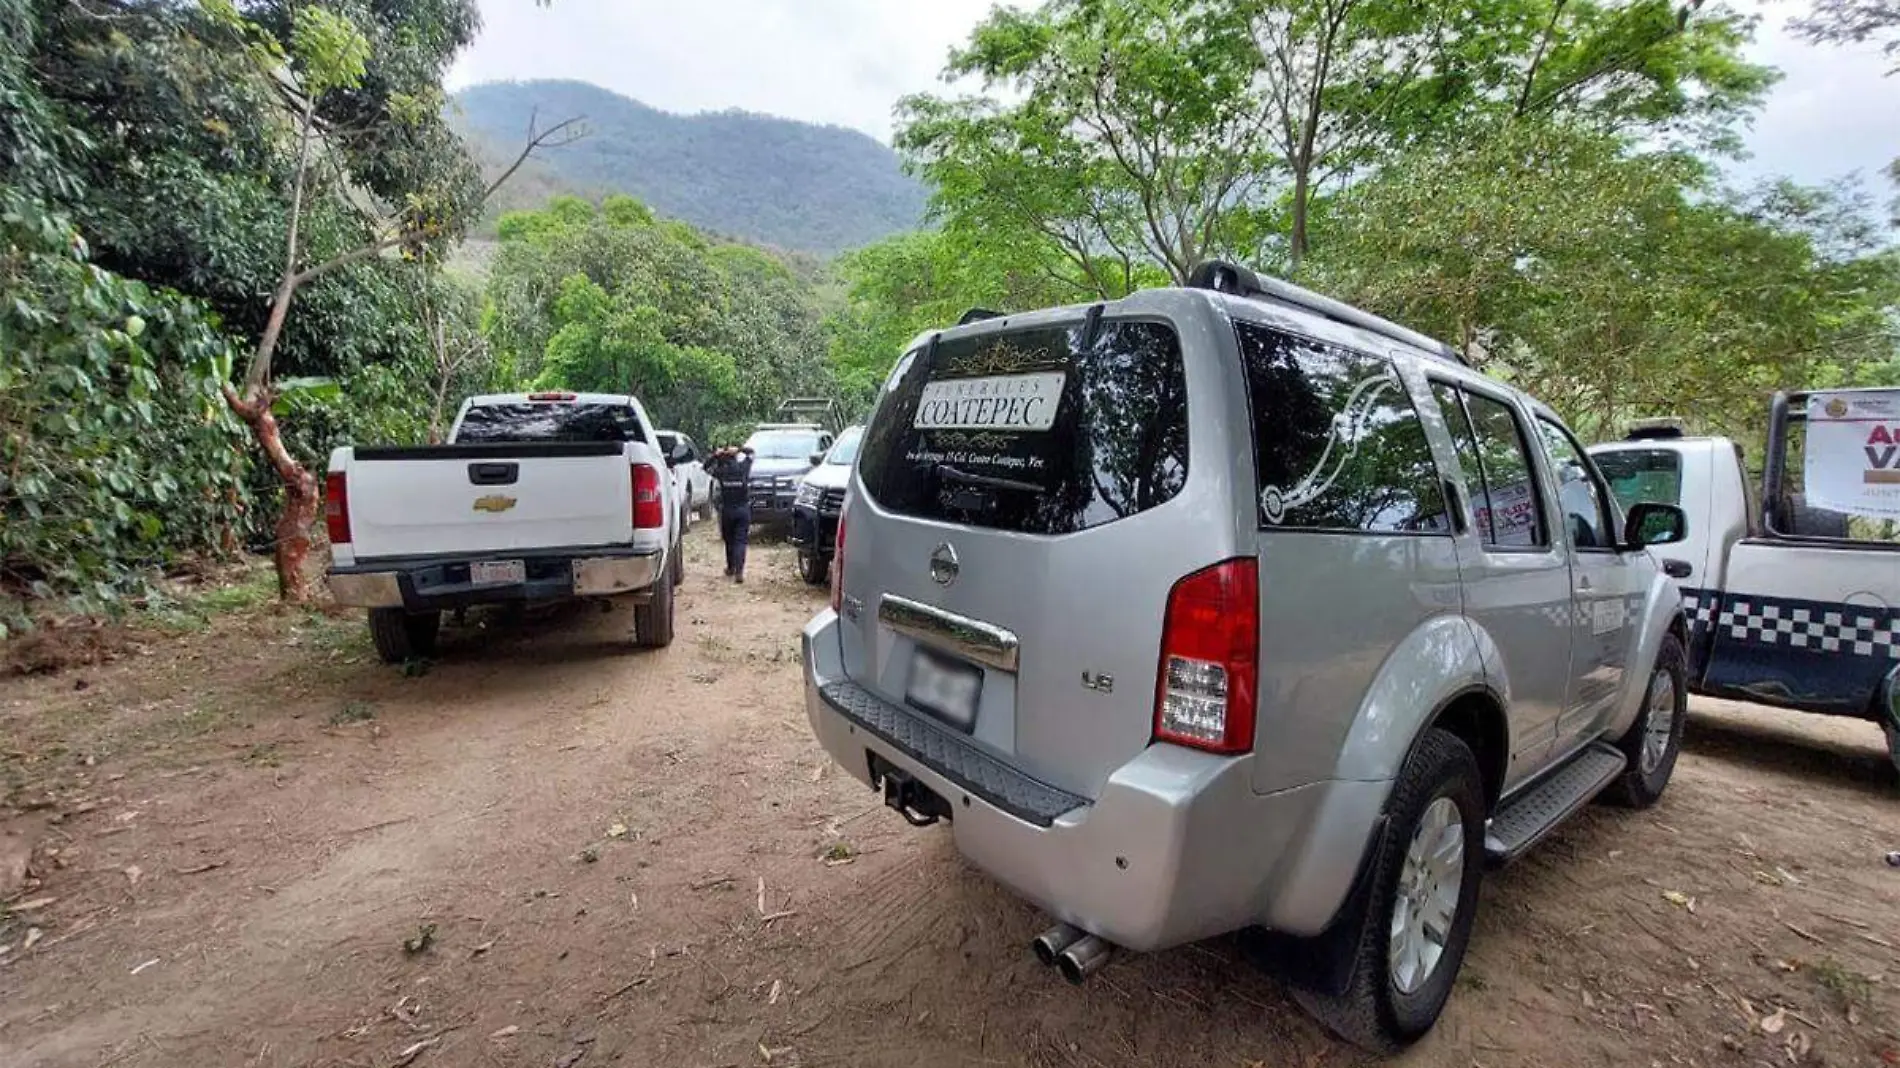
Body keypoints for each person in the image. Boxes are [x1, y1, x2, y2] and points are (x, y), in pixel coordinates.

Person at [705, 444, 755, 582]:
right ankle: (739, 571)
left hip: (727, 510)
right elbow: (752, 454)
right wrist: (739, 449)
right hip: (743, 509)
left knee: (729, 540)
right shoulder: (743, 468)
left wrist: (716, 455)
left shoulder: (721, 471)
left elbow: (706, 467)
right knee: (740, 541)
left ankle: (731, 567)